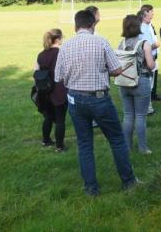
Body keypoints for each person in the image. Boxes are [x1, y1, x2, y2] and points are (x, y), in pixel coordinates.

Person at [53, 10, 137, 196]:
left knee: (84, 144)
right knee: (116, 140)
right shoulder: (101, 42)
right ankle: (129, 181)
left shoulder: (65, 47)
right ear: (93, 25)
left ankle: (91, 188)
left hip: (75, 99)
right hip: (99, 99)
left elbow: (58, 76)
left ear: (76, 26)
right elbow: (116, 70)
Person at [117, 15, 156, 154]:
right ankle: (143, 148)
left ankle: (127, 147)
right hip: (141, 81)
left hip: (124, 83)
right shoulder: (144, 43)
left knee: (128, 115)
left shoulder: (121, 43)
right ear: (137, 26)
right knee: (140, 116)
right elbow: (151, 65)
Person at [35, 29, 67, 152]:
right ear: (57, 39)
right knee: (60, 120)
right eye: (62, 38)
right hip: (59, 90)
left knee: (48, 117)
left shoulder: (41, 54)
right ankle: (59, 146)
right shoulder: (61, 52)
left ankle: (46, 140)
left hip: (45, 91)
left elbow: (36, 73)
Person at [138, 5, 161, 105]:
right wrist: (155, 45)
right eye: (151, 12)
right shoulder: (142, 27)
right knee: (147, 82)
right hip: (148, 57)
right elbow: (143, 46)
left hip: (153, 56)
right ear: (145, 14)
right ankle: (147, 106)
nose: (153, 13)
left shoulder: (149, 25)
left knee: (152, 82)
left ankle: (150, 100)